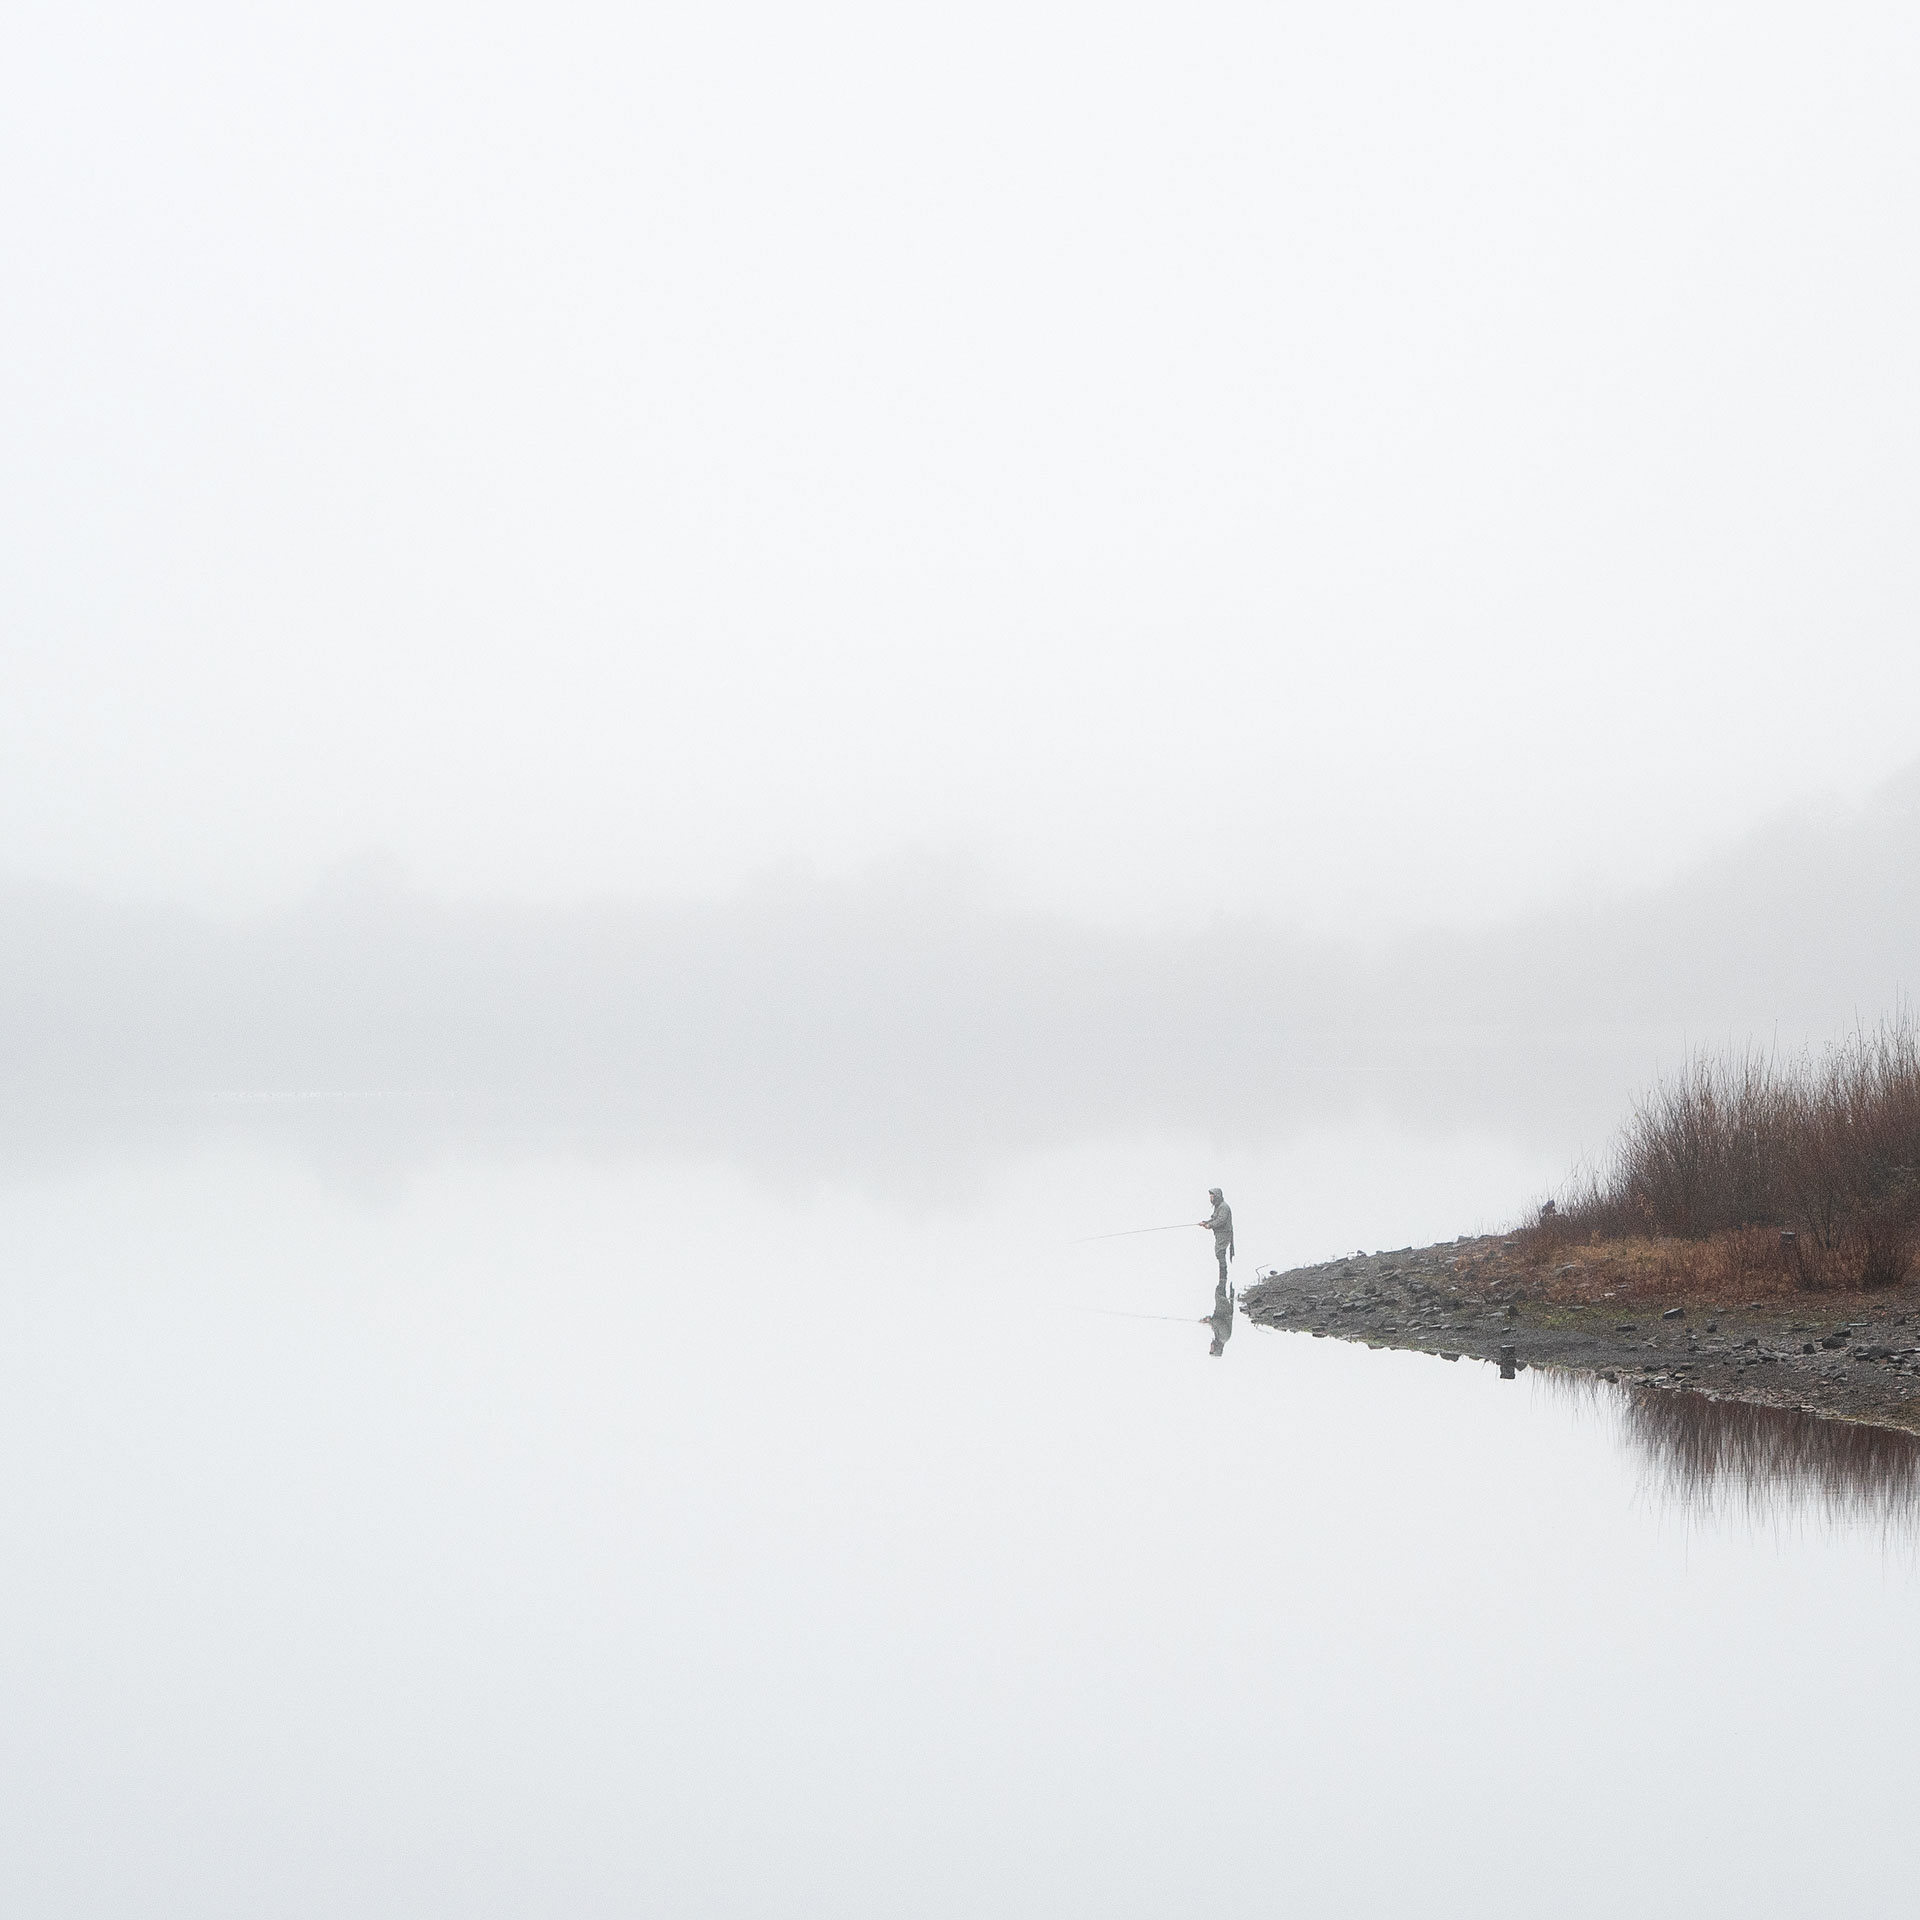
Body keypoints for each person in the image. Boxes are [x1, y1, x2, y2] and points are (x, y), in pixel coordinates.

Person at [1200, 1188, 1234, 1287]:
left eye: (1212, 1196)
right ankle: (1222, 1277)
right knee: (1219, 1252)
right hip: (1220, 1234)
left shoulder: (1224, 1207)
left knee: (1220, 1252)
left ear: (1217, 1196)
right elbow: (1214, 1218)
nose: (1210, 1198)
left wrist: (1210, 1225)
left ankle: (1223, 1277)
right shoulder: (1218, 1206)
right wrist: (1206, 1223)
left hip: (1224, 1233)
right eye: (1210, 1196)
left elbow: (1221, 1220)